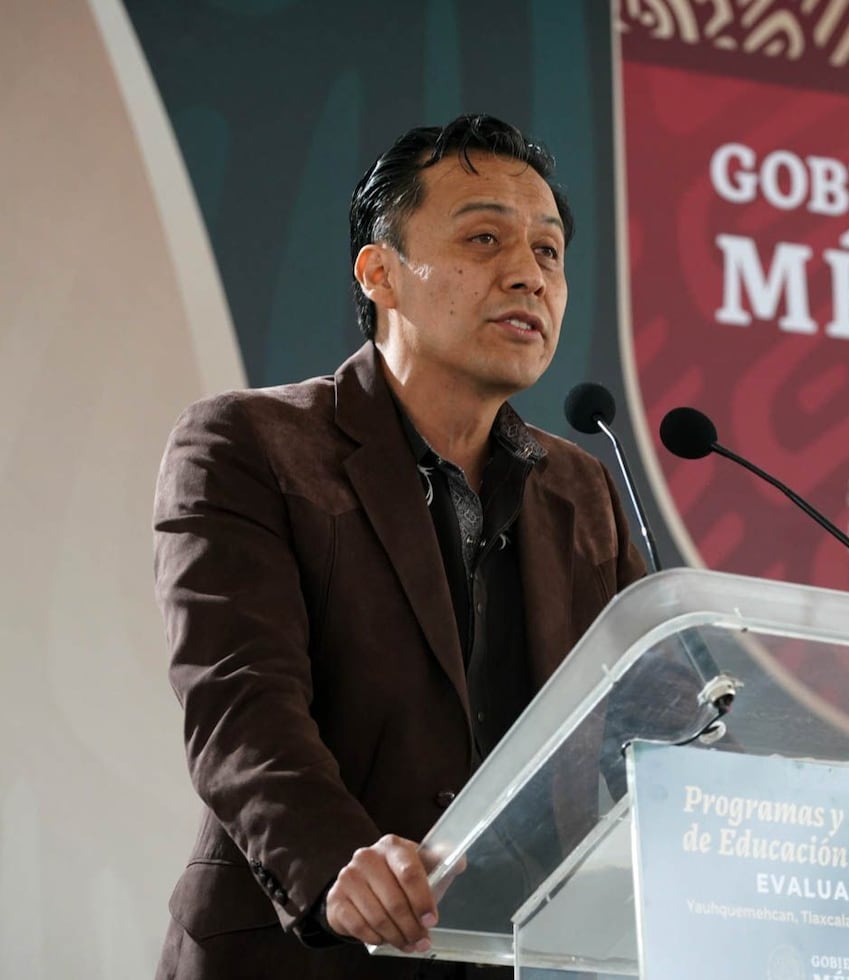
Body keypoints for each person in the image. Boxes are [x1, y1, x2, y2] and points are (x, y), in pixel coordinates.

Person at [153, 114, 646, 980]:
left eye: (549, 252)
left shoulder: (582, 490)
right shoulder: (248, 445)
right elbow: (240, 704)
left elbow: (656, 726)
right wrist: (337, 861)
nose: (528, 274)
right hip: (300, 954)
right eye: (485, 239)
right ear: (380, 273)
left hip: (515, 959)